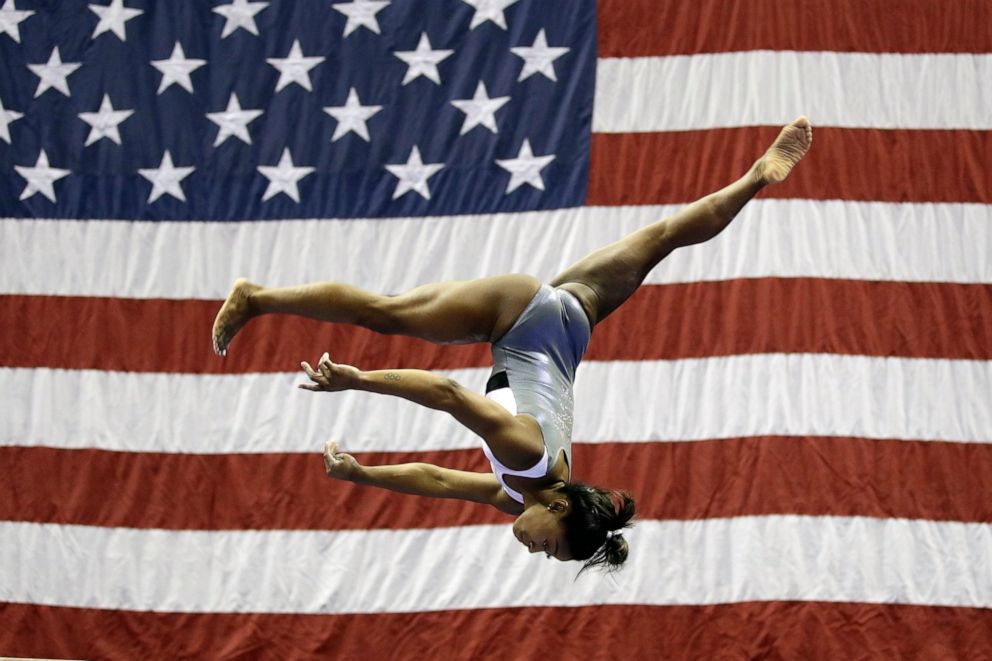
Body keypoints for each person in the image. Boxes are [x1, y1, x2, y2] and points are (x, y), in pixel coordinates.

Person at [211, 117, 813, 573]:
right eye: (549, 547)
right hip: (520, 314)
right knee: (386, 314)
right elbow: (447, 392)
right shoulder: (528, 460)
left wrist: (361, 475)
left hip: (573, 321)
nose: (534, 550)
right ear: (557, 511)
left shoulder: (523, 491)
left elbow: (440, 481)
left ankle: (757, 176)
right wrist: (356, 381)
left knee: (664, 236)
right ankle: (257, 297)